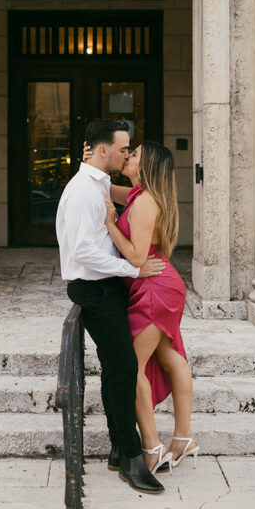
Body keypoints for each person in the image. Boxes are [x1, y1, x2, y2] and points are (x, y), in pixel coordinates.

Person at [55, 119, 167, 494]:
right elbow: (81, 250)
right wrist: (131, 268)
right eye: (123, 148)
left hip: (109, 288)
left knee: (116, 370)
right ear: (103, 151)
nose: (127, 153)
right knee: (123, 369)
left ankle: (121, 449)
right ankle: (131, 458)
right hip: (95, 290)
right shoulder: (84, 191)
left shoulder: (98, 182)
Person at [86, 138, 199, 474]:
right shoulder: (135, 194)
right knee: (170, 358)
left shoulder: (146, 202)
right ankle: (183, 439)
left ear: (145, 165)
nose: (127, 156)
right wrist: (93, 160)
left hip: (154, 288)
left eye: (133, 154)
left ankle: (152, 447)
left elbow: (135, 257)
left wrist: (109, 224)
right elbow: (105, 186)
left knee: (129, 368)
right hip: (157, 286)